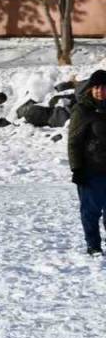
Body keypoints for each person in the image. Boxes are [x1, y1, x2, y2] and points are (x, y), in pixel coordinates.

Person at [68, 69, 106, 256]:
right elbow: (74, 142)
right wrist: (77, 169)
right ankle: (94, 246)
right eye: (97, 87)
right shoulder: (83, 110)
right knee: (91, 212)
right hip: (92, 171)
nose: (100, 91)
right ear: (91, 89)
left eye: (104, 87)